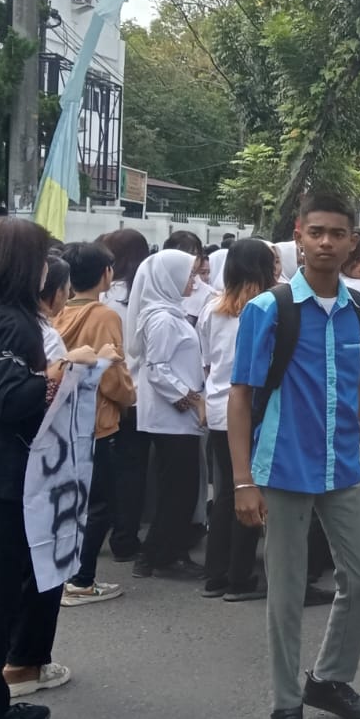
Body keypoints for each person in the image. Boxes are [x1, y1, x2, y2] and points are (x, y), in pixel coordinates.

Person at [229, 191, 360, 719]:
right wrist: (243, 480)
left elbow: (357, 385)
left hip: (342, 465)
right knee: (287, 591)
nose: (325, 242)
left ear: (352, 241)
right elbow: (241, 396)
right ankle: (285, 705)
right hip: (282, 468)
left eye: (337, 234)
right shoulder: (269, 310)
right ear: (299, 235)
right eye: (315, 232)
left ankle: (328, 680)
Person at [0, 219, 101, 719]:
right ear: (24, 262)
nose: (49, 267)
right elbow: (13, 400)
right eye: (43, 256)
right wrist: (61, 371)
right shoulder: (14, 322)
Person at [54, 242, 135, 607]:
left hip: (57, 418)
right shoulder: (104, 315)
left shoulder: (55, 311)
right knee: (99, 502)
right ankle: (82, 579)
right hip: (97, 420)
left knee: (64, 499)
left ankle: (59, 574)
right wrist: (128, 397)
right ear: (105, 274)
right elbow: (112, 374)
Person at [199, 240, 277, 603]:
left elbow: (206, 358)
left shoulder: (211, 307)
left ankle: (215, 573)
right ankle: (239, 576)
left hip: (217, 407)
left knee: (228, 491)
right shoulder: (265, 308)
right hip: (247, 407)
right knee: (250, 490)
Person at [127, 250, 207, 581]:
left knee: (179, 487)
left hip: (175, 417)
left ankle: (164, 552)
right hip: (171, 418)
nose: (194, 281)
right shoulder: (162, 318)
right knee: (179, 489)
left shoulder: (168, 313)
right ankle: (158, 554)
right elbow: (157, 369)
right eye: (189, 275)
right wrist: (190, 398)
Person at [96, 228, 150, 561]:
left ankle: (98, 531)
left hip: (104, 390)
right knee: (133, 470)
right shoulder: (144, 295)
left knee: (106, 468)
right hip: (136, 393)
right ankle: (125, 536)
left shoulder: (104, 296)